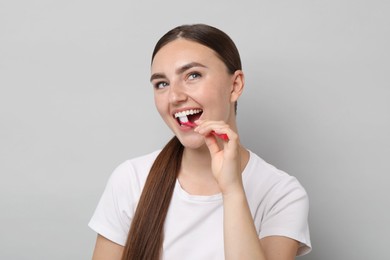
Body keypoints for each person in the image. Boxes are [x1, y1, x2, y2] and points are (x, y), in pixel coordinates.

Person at [89, 24, 311, 260]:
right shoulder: (131, 179)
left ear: (235, 86)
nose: (175, 97)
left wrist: (232, 189)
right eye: (161, 84)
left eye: (193, 75)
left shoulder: (282, 194)